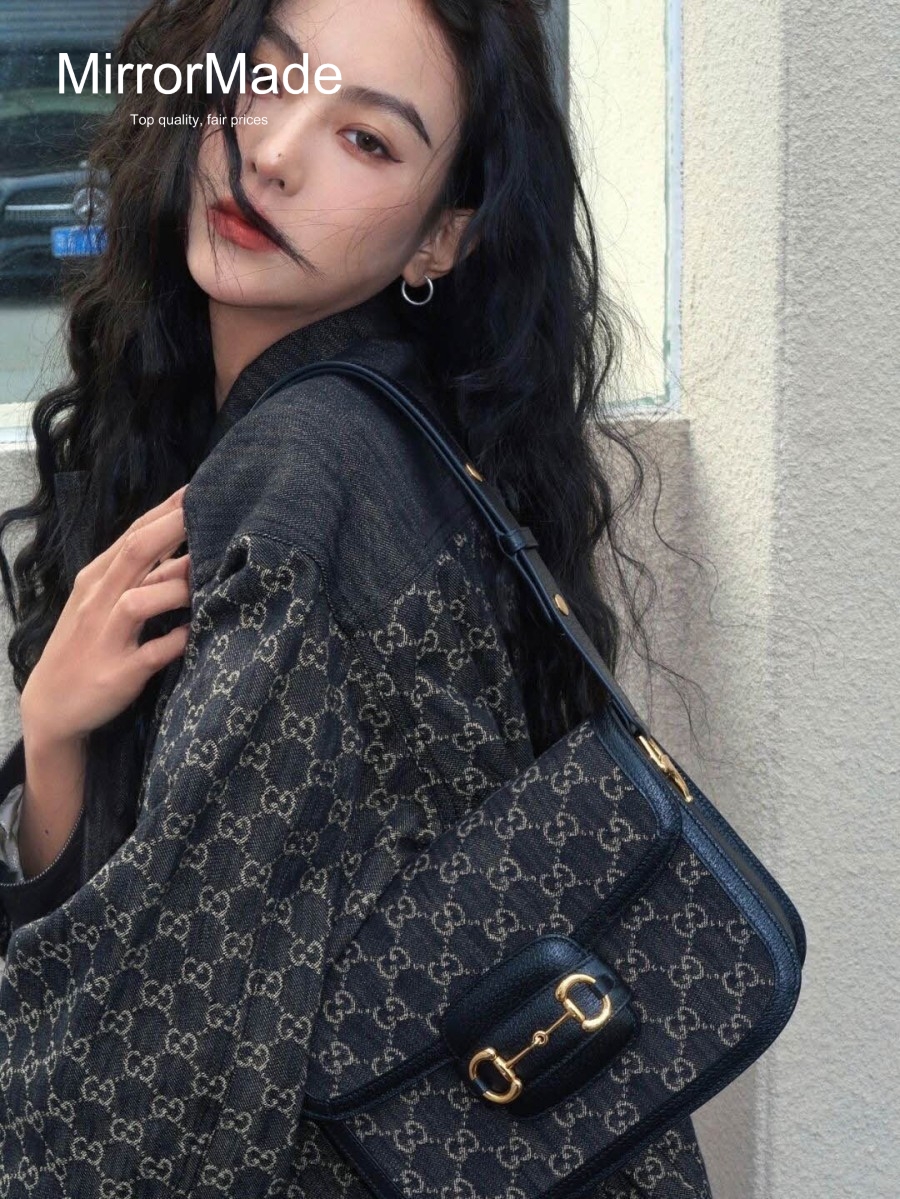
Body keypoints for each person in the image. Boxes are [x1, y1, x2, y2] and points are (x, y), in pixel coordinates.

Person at [0, 0, 713, 1194]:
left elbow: (162, 1063)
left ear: (440, 239)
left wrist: (51, 739)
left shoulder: (312, 465)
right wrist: (60, 731)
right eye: (270, 80)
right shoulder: (371, 435)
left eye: (367, 139)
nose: (274, 154)